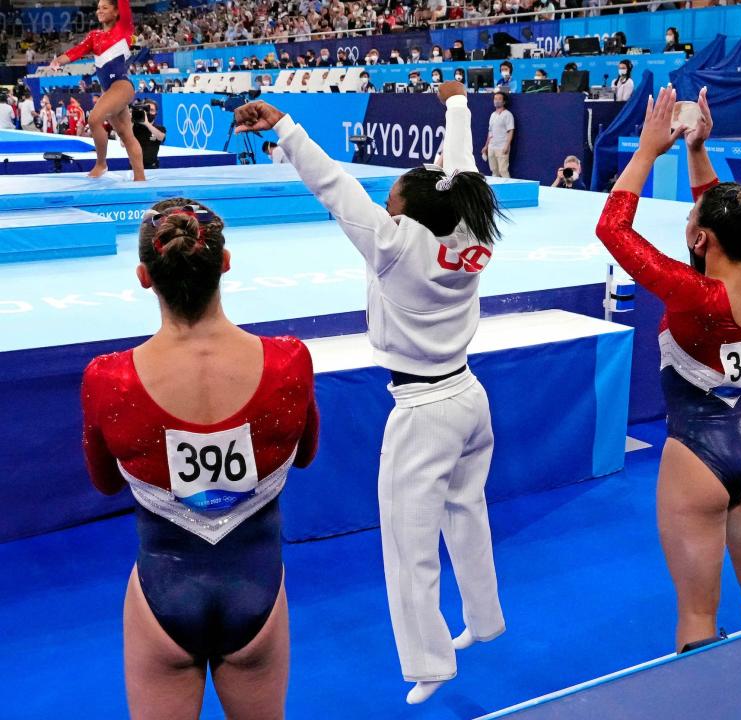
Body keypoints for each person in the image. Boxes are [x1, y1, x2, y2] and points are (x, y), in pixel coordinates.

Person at [233, 80, 506, 706]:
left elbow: (334, 187)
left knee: (408, 544)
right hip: (469, 395)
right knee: (467, 511)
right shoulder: (472, 230)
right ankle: (484, 617)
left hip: (423, 411)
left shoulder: (392, 245)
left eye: (390, 199)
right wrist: (457, 106)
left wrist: (285, 126)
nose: (383, 204)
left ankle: (429, 662)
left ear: (405, 214)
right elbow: (459, 168)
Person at [81, 198, 320, 718]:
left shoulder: (108, 378)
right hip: (256, 584)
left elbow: (102, 482)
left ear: (145, 276)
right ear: (225, 263)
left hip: (163, 590)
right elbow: (305, 456)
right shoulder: (289, 361)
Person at [597, 86, 741, 652]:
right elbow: (722, 211)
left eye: (689, 219)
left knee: (698, 624)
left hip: (698, 457)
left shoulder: (695, 294)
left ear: (701, 238)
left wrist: (647, 151)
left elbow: (613, 230)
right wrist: (697, 149)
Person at [50, 0, 146, 180]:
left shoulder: (124, 28)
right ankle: (140, 179)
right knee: (126, 135)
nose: (99, 11)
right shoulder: (94, 36)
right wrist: (58, 61)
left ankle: (101, 164)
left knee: (94, 119)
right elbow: (76, 52)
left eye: (105, 7)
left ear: (116, 12)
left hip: (122, 85)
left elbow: (124, 3)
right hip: (109, 91)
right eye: (98, 7)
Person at [482, 91, 514, 178]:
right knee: (494, 171)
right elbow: (490, 132)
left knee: (503, 171)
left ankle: (509, 190)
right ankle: (495, 191)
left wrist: (507, 145)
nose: (496, 101)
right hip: (492, 147)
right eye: (495, 99)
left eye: (499, 99)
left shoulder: (508, 115)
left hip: (502, 147)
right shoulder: (492, 115)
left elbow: (510, 131)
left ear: (504, 102)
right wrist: (486, 146)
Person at [132, 99, 165, 170]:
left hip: (152, 167)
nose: (149, 112)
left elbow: (161, 137)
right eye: (147, 109)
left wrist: (147, 123)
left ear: (156, 113)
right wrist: (130, 122)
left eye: (152, 110)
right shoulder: (134, 128)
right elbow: (123, 144)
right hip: (134, 168)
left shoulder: (160, 128)